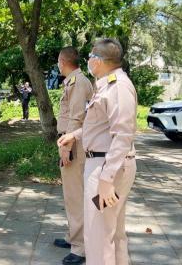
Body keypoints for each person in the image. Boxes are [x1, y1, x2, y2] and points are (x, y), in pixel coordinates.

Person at [58, 38, 137, 265]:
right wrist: (75, 135)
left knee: (99, 239)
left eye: (91, 56)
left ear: (99, 61)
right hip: (103, 162)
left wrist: (106, 178)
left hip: (106, 165)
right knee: (113, 234)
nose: (88, 60)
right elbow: (100, 126)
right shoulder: (107, 85)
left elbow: (123, 135)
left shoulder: (118, 86)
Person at [54, 47, 93, 265]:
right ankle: (73, 237)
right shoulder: (73, 81)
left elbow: (77, 118)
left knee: (76, 196)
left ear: (63, 61)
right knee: (71, 195)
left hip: (74, 144)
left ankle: (80, 247)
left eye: (58, 61)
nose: (58, 65)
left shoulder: (78, 82)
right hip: (70, 141)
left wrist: (67, 147)